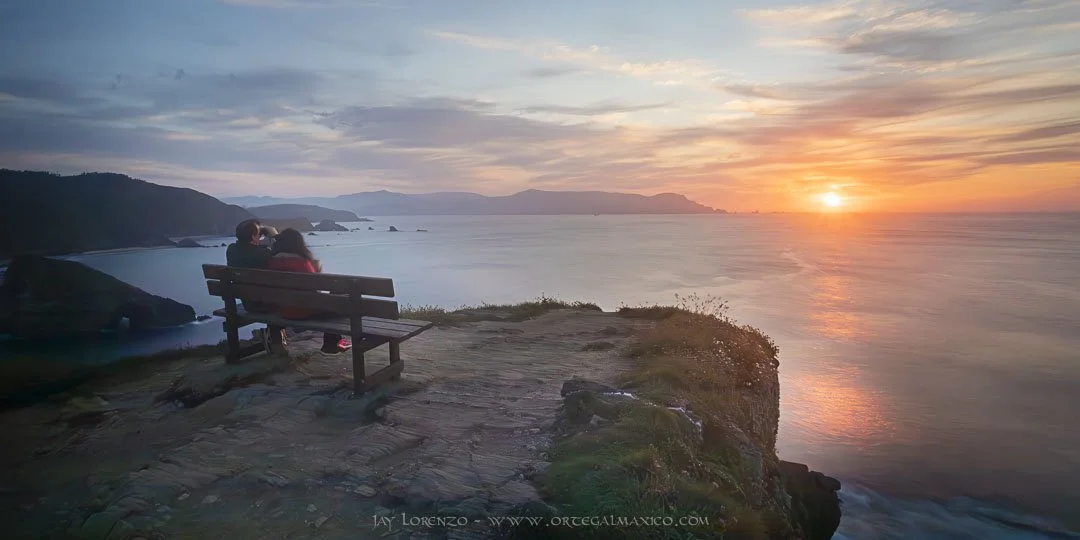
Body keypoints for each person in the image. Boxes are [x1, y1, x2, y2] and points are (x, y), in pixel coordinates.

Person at [267, 228, 353, 354]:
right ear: (298, 244)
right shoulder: (303, 263)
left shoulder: (271, 262)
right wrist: (317, 267)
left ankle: (333, 342)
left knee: (335, 298)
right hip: (306, 311)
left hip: (283, 310)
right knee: (339, 294)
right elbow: (317, 287)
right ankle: (331, 342)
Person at [225, 219, 286, 352]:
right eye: (258, 234)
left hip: (248, 303)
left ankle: (273, 340)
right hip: (267, 304)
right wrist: (274, 236)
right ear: (253, 236)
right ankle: (275, 340)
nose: (260, 237)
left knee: (269, 294)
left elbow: (248, 251)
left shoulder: (231, 250)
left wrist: (258, 232)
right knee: (279, 297)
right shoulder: (263, 254)